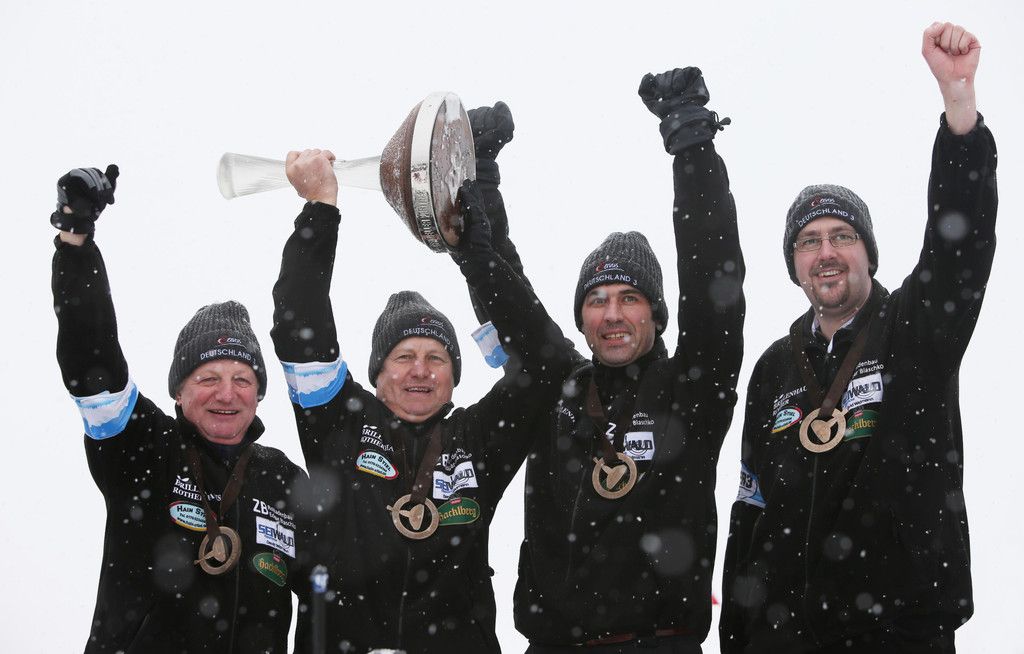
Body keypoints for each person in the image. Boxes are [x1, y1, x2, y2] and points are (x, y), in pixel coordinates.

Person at [720, 22, 997, 654]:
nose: (826, 252)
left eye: (842, 236)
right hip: (785, 637)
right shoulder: (774, 368)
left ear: (868, 254)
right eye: (808, 241)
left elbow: (958, 249)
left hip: (899, 629)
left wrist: (959, 111)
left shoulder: (914, 331)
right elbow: (749, 509)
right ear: (794, 265)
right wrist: (738, 636)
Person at [470, 69, 745, 652]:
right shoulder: (557, 386)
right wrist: (479, 181)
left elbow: (711, 275)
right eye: (597, 300)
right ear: (581, 318)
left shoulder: (694, 386)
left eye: (629, 298)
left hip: (660, 643)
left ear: (657, 314)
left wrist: (691, 144)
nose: (612, 314)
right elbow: (509, 298)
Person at [270, 148, 575, 652]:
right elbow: (299, 326)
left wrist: (477, 260)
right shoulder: (337, 419)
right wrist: (320, 207)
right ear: (377, 373)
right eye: (404, 356)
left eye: (436, 357)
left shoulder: (478, 438)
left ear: (454, 377)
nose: (420, 370)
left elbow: (550, 363)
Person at [50, 166, 309, 653]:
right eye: (208, 379)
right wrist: (75, 241)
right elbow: (91, 360)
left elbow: (333, 587)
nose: (227, 394)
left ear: (259, 394)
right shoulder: (142, 446)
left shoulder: (282, 479)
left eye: (242, 380)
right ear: (178, 392)